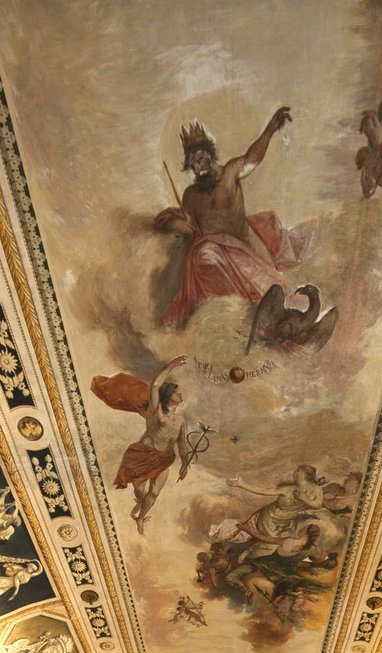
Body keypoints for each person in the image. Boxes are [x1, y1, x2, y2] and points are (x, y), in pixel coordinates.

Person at [155, 109, 316, 326]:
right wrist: (177, 223)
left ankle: (297, 319)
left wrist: (270, 129)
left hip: (246, 247)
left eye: (200, 157)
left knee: (273, 287)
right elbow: (189, 226)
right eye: (192, 162)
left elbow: (252, 158)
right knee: (206, 257)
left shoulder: (230, 173)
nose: (197, 165)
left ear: (209, 154)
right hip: (214, 257)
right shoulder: (191, 196)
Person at [91, 355, 190, 534]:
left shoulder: (181, 420)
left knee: (155, 492)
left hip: (164, 459)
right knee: (140, 489)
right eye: (176, 392)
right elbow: (155, 385)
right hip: (144, 454)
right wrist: (172, 365)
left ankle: (141, 518)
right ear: (168, 396)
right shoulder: (156, 411)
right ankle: (139, 501)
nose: (180, 394)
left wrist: (185, 463)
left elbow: (181, 443)